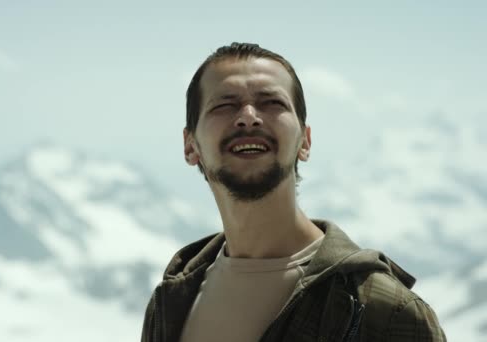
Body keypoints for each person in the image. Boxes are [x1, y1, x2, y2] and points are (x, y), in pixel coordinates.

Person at [140, 42, 446, 342]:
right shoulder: (170, 304)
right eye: (224, 105)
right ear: (190, 145)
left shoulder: (387, 314)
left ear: (305, 141)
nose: (248, 116)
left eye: (272, 102)